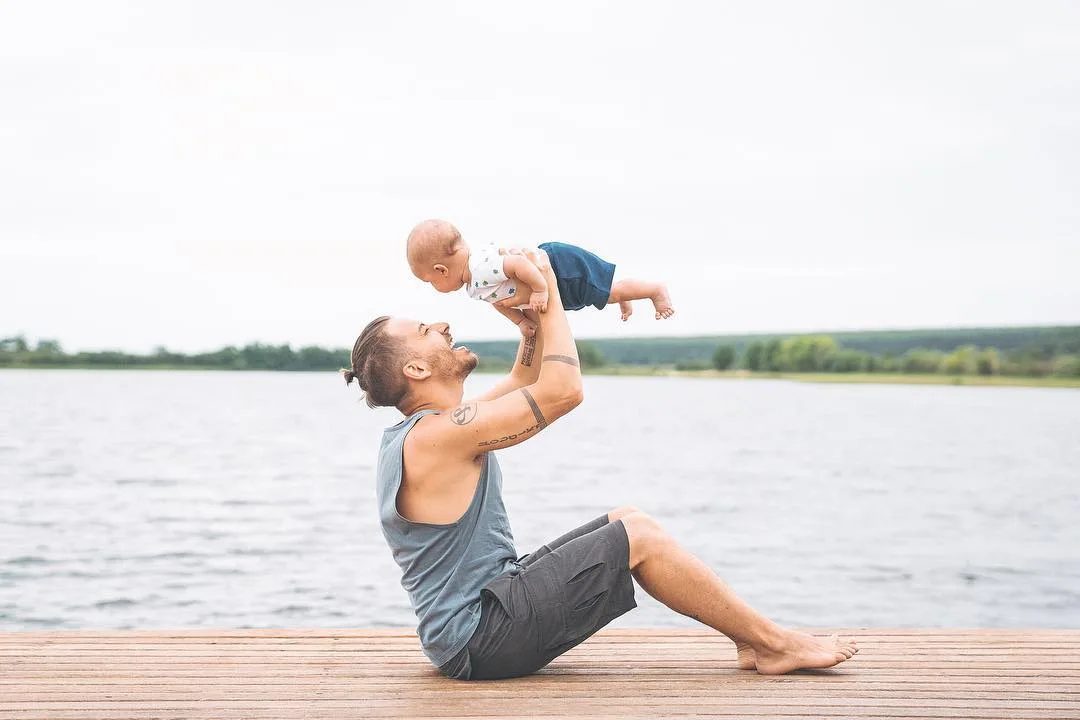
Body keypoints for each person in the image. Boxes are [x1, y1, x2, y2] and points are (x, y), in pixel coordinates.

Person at [343, 248, 857, 680]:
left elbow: (524, 387)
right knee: (642, 538)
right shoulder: (436, 436)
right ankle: (772, 644)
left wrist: (528, 329)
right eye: (426, 330)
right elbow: (562, 390)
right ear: (415, 367)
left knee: (627, 521)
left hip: (479, 623)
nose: (443, 323)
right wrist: (546, 285)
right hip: (481, 636)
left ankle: (755, 642)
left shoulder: (430, 432)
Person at [405, 219, 674, 338]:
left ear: (442, 270)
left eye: (430, 281)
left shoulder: (480, 267)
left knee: (609, 292)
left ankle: (654, 290)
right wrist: (521, 321)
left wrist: (540, 289)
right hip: (549, 278)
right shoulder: (474, 285)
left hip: (555, 267)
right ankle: (620, 296)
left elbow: (518, 264)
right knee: (605, 293)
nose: (434, 287)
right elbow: (500, 302)